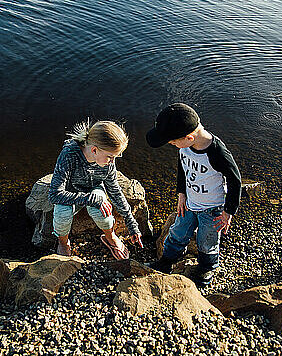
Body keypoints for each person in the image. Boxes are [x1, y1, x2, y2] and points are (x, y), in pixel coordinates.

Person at [146, 103, 242, 286]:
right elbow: (183, 168)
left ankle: (207, 267)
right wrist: (181, 193)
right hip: (190, 203)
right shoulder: (186, 147)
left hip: (212, 209)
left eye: (173, 142)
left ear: (189, 137)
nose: (173, 145)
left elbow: (235, 180)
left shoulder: (217, 153)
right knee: (177, 233)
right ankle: (166, 262)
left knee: (207, 240)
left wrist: (229, 212)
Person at [48, 120, 143, 259]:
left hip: (94, 187)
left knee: (103, 210)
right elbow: (54, 194)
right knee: (62, 213)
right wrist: (90, 199)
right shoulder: (69, 155)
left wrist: (131, 222)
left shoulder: (106, 158)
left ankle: (110, 236)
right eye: (110, 157)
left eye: (116, 157)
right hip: (69, 190)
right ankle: (63, 242)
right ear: (94, 150)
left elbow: (114, 190)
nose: (112, 162)